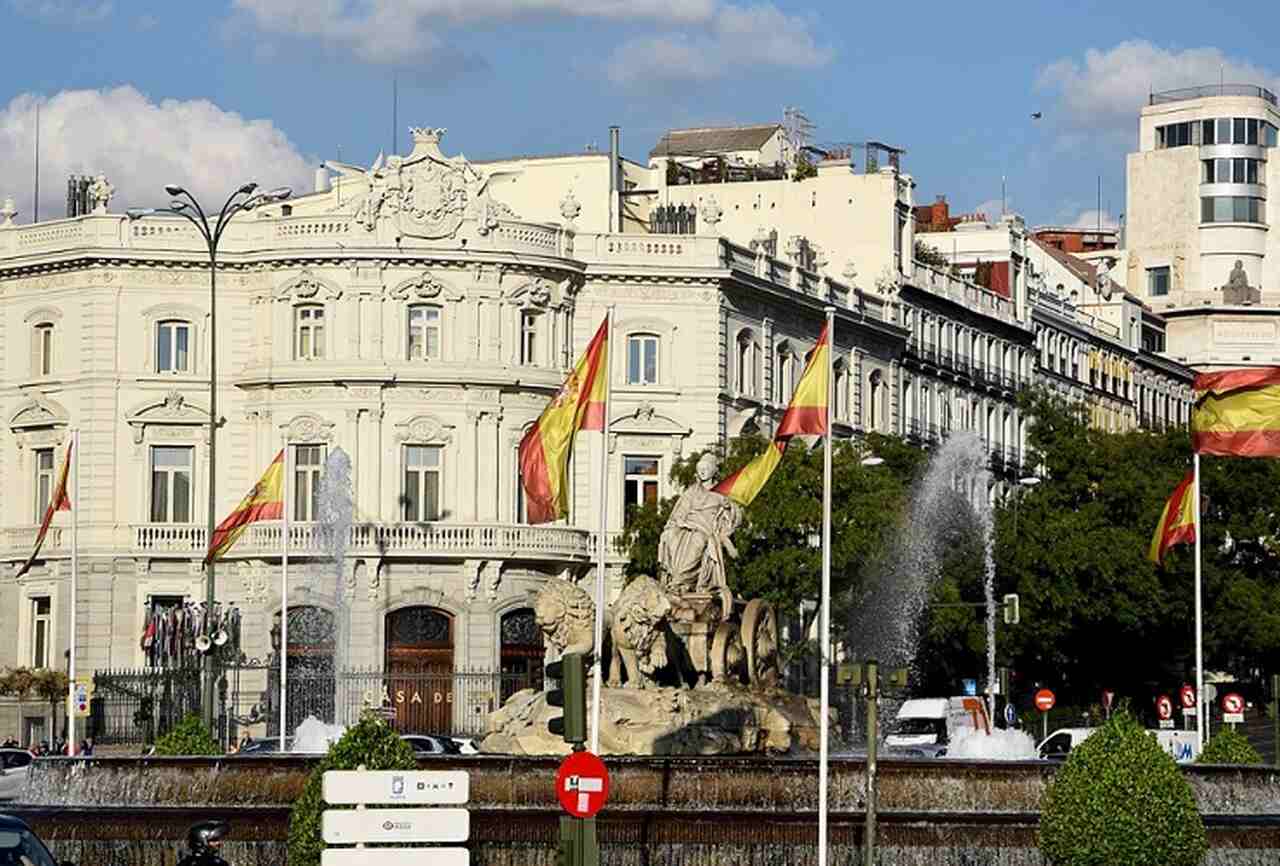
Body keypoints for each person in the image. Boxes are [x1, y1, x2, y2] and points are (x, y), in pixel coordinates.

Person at [657, 452, 742, 610]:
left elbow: (736, 516)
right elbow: (679, 512)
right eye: (700, 468)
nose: (702, 471)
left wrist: (729, 508)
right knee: (670, 536)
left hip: (705, 529)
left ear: (714, 471)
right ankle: (675, 580)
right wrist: (678, 522)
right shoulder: (691, 492)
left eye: (706, 468)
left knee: (697, 541)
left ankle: (680, 581)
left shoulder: (722, 492)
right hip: (686, 525)